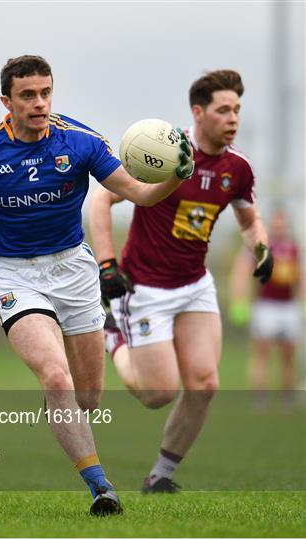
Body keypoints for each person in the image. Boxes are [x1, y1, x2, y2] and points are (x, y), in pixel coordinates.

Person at [0, 55, 194, 514]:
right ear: (6, 102)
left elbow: (139, 193)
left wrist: (175, 176)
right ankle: (101, 488)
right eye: (27, 95)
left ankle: (62, 402)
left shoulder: (81, 141)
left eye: (45, 92)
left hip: (73, 270)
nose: (39, 103)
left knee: (86, 398)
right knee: (55, 374)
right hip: (14, 274)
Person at [89, 69, 274, 494]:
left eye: (237, 110)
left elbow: (250, 221)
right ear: (198, 112)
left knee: (206, 384)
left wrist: (259, 248)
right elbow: (101, 198)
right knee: (157, 394)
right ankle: (112, 334)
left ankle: (160, 476)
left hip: (194, 286)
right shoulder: (164, 153)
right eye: (223, 109)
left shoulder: (237, 167)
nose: (233, 118)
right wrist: (107, 264)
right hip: (145, 289)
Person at [229, 208, 304, 409]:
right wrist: (239, 301)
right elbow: (242, 271)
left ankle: (287, 398)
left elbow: (300, 278)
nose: (279, 225)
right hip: (265, 307)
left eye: (283, 222)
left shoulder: (294, 248)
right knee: (261, 354)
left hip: (289, 307)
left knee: (288, 355)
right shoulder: (262, 246)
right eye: (276, 221)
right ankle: (259, 399)